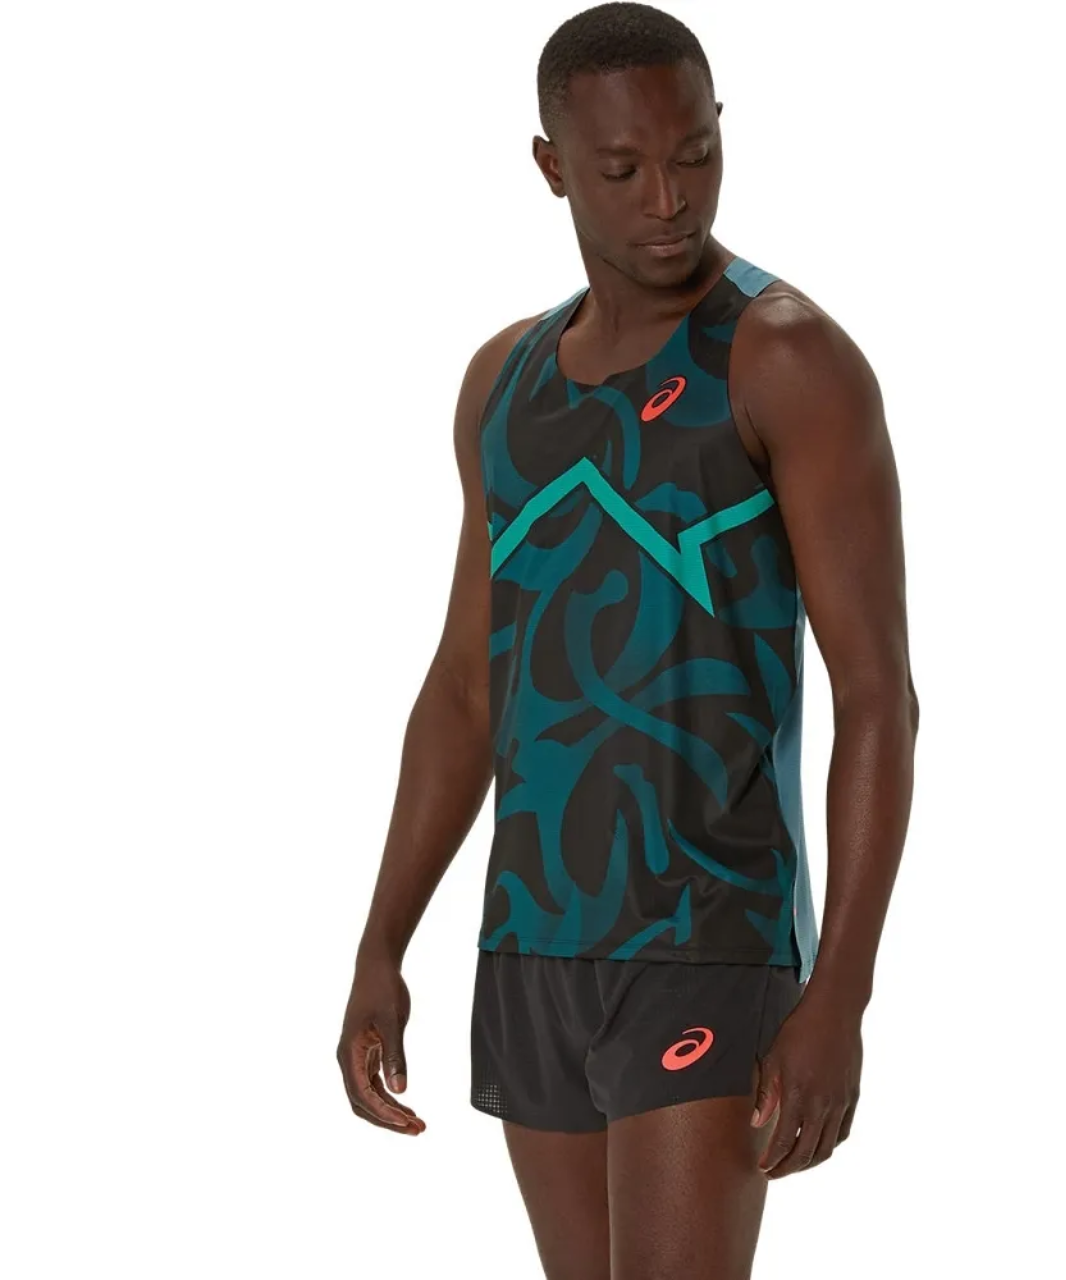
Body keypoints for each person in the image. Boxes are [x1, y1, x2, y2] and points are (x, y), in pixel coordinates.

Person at [337, 2, 919, 1275]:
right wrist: (383, 939)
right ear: (550, 167)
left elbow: (878, 695)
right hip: (531, 933)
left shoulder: (784, 358)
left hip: (706, 930)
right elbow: (464, 689)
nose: (669, 198)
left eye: (695, 153)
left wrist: (841, 992)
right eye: (622, 169)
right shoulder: (504, 382)